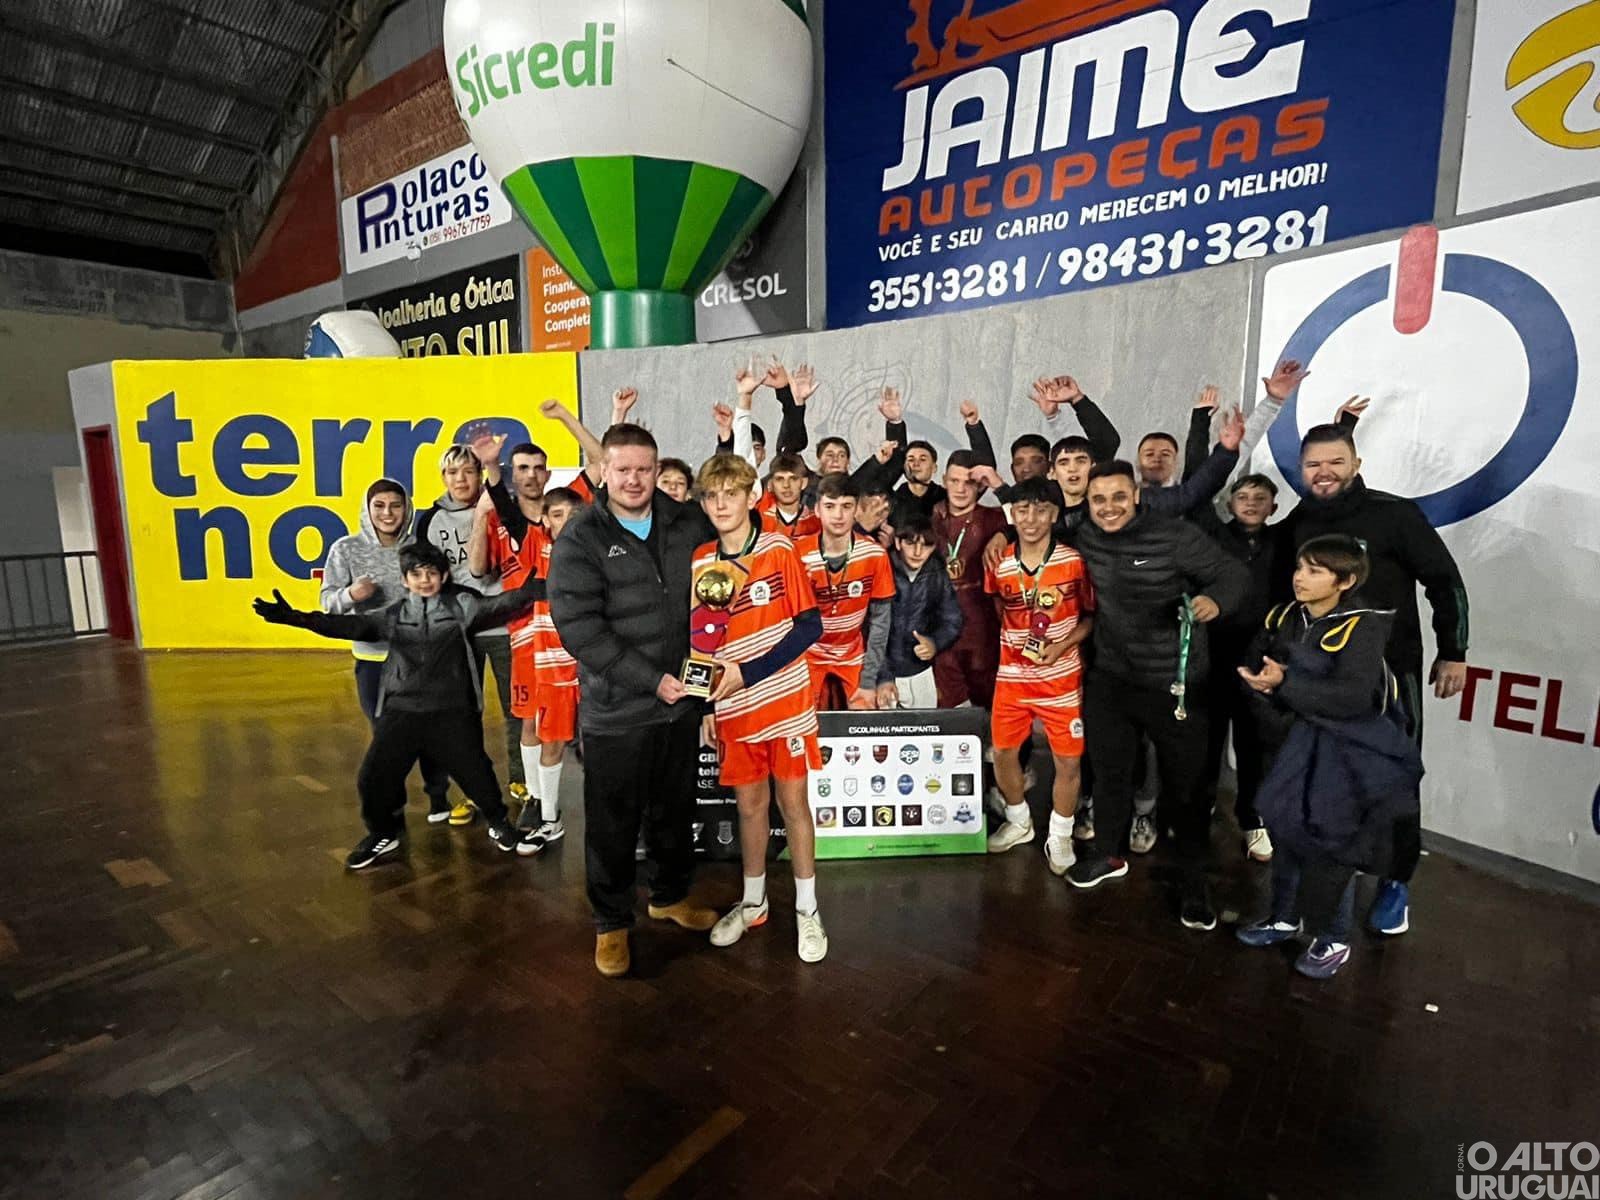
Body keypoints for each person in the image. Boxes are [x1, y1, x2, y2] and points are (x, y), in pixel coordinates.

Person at [1273, 422, 1468, 937]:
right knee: (1330, 776)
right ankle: (1327, 881)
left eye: (1335, 461)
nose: (1324, 472)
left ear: (1356, 464)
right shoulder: (1301, 519)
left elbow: (1445, 581)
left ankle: (1395, 884)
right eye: (1314, 464)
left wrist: (1454, 652)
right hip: (1322, 676)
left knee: (1393, 777)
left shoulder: (1395, 514)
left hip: (1390, 676)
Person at [547, 423, 721, 978]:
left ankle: (668, 897)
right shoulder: (581, 538)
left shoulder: (685, 520)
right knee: (613, 824)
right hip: (617, 711)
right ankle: (612, 924)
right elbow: (580, 628)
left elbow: (743, 529)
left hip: (682, 705)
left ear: (657, 469)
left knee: (676, 813)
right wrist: (650, 679)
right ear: (602, 471)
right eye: (622, 469)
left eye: (644, 469)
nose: (633, 479)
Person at [252, 543, 541, 869]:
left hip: (450, 711)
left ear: (443, 576)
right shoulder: (393, 615)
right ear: (405, 580)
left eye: (431, 573)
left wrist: (529, 592)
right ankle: (382, 833)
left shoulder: (462, 606)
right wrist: (294, 617)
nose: (424, 580)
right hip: (402, 712)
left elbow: (499, 603)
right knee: (372, 778)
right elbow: (348, 626)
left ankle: (501, 826)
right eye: (416, 574)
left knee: (477, 774)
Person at [1068, 461, 1248, 930]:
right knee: (1109, 775)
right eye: (1098, 499)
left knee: (1185, 791)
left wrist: (1215, 602)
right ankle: (1109, 855)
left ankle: (1194, 884)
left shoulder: (1174, 536)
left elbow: (1233, 576)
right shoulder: (1084, 533)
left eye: (1118, 497)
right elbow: (1040, 529)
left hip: (1176, 683)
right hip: (1111, 677)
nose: (1108, 508)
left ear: (1136, 496)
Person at [1236, 535, 1423, 979]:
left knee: (1331, 844)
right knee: (1284, 829)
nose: (1301, 577)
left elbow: (1351, 699)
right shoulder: (1285, 616)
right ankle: (1284, 917)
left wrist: (1284, 688)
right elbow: (1260, 668)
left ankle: (1333, 937)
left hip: (1347, 753)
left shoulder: (1363, 626)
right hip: (1295, 744)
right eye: (1301, 567)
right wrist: (1267, 691)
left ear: (1346, 581)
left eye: (1315, 570)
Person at [693, 454, 828, 964]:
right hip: (732, 707)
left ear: (752, 496)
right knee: (749, 807)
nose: (721, 503)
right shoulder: (701, 560)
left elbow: (809, 627)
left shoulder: (778, 548)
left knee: (793, 805)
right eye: (712, 496)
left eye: (731, 493)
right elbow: (702, 642)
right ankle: (754, 903)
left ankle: (809, 910)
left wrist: (747, 674)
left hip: (786, 702)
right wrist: (708, 703)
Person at [319, 478, 452, 824]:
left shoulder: (419, 547)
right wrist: (351, 595)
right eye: (379, 506)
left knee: (432, 731)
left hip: (420, 659)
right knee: (386, 738)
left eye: (395, 505)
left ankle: (439, 798)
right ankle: (392, 807)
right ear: (367, 509)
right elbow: (327, 602)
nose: (388, 513)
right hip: (373, 662)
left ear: (406, 508)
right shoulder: (345, 549)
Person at [983, 477, 1095, 876]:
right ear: (1012, 515)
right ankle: (1019, 821)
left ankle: (1060, 834)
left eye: (1040, 509)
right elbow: (1000, 605)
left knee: (1068, 761)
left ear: (1054, 514)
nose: (1031, 518)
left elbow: (1089, 618)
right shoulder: (1000, 563)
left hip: (1060, 677)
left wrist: (1061, 647)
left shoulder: (1073, 561)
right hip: (1012, 676)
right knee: (1004, 753)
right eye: (1022, 509)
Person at [414, 445, 524, 819]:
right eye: (452, 472)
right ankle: (476, 789)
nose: (461, 479)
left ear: (480, 475)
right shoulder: (430, 520)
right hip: (459, 632)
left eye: (468, 471)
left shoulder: (503, 509)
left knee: (517, 710)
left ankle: (522, 782)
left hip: (506, 626)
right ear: (443, 477)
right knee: (463, 713)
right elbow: (424, 578)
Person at [1202, 474, 1282, 863]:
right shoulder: (1214, 537)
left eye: (1260, 498)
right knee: (1205, 743)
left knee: (1254, 749)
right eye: (1243, 497)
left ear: (1274, 507)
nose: (1250, 504)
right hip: (1214, 657)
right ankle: (1200, 811)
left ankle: (1252, 818)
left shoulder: (1283, 542)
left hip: (1260, 662)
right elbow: (1197, 487)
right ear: (1230, 504)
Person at [796, 473, 896, 710]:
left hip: (852, 652)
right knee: (800, 725)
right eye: (830, 506)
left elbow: (881, 624)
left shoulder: (874, 554)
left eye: (846, 506)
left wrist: (870, 680)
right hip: (806, 652)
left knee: (864, 726)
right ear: (817, 510)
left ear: (857, 510)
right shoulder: (796, 554)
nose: (839, 515)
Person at [930, 449, 1010, 709]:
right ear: (943, 480)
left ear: (980, 486)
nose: (961, 489)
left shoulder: (994, 518)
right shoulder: (932, 516)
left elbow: (1022, 516)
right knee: (948, 701)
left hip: (980, 619)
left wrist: (1005, 535)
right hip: (940, 618)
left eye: (969, 482)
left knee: (986, 694)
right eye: (954, 481)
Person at [876, 512, 964, 709]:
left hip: (921, 672)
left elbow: (953, 620)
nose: (918, 552)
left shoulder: (937, 574)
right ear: (897, 543)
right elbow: (869, 631)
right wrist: (883, 677)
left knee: (926, 732)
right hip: (882, 673)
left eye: (926, 545)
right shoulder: (881, 569)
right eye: (911, 544)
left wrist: (934, 643)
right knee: (883, 736)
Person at [756, 452, 822, 538]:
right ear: (771, 484)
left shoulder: (816, 522)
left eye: (793, 479)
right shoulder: (758, 521)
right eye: (779, 479)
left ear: (804, 483)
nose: (786, 485)